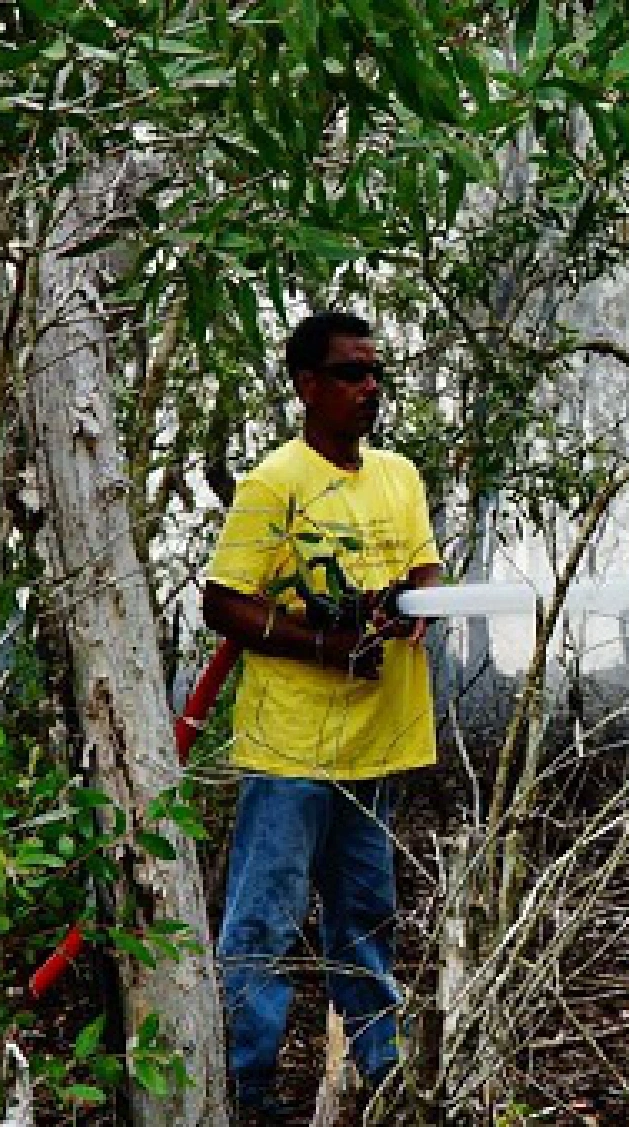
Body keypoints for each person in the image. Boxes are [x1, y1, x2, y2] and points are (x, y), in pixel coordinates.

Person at [202, 311, 442, 1121]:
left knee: (367, 920)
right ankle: (249, 1086)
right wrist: (327, 645)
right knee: (264, 923)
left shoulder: (398, 476)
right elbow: (224, 603)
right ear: (308, 387)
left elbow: (425, 567)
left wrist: (411, 606)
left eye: (375, 372)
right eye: (350, 373)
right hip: (291, 750)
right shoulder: (276, 482)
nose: (369, 387)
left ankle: (384, 1076)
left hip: (375, 746)